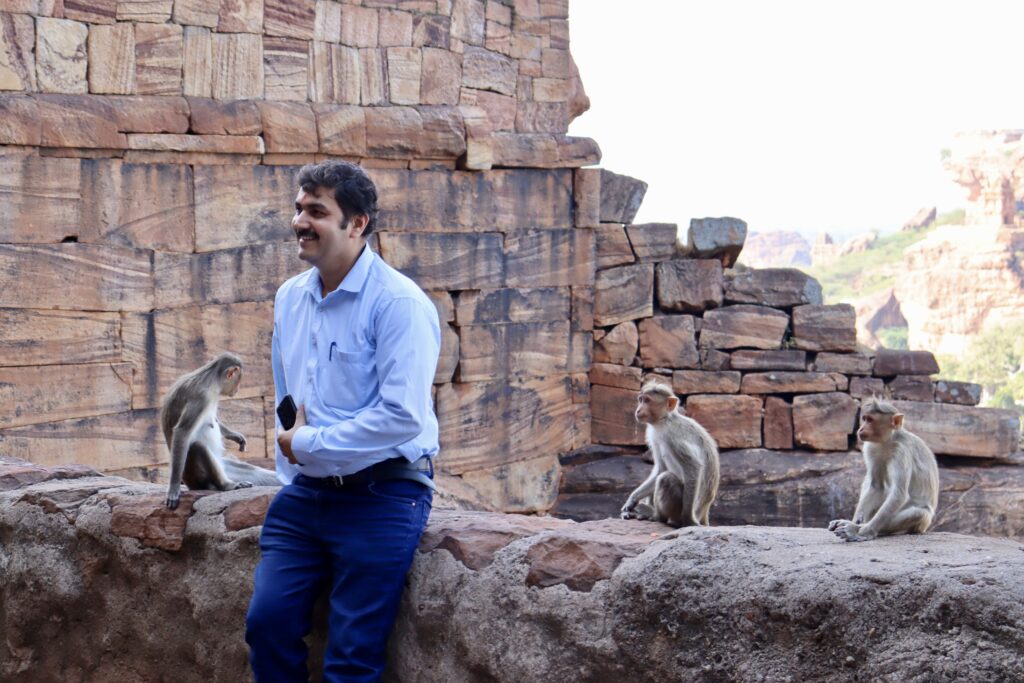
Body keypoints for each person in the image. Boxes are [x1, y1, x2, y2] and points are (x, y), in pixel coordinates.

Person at [245, 160, 441, 682]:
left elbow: (402, 417)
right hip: (305, 497)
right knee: (266, 626)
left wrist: (307, 442)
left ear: (357, 224)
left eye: (316, 211)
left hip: (383, 496)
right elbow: (290, 397)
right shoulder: (291, 297)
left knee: (352, 657)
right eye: (298, 208)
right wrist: (296, 464)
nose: (299, 221)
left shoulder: (398, 303)